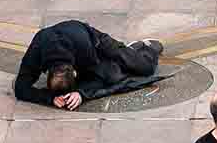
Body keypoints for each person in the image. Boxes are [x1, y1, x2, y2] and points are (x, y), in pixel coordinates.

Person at [14, 20, 162, 108]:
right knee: (115, 75)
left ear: (75, 72)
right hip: (73, 42)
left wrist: (81, 93)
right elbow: (20, 88)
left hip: (96, 43)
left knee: (142, 69)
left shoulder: (83, 50)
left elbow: (98, 77)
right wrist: (50, 98)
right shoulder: (37, 51)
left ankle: (138, 48)